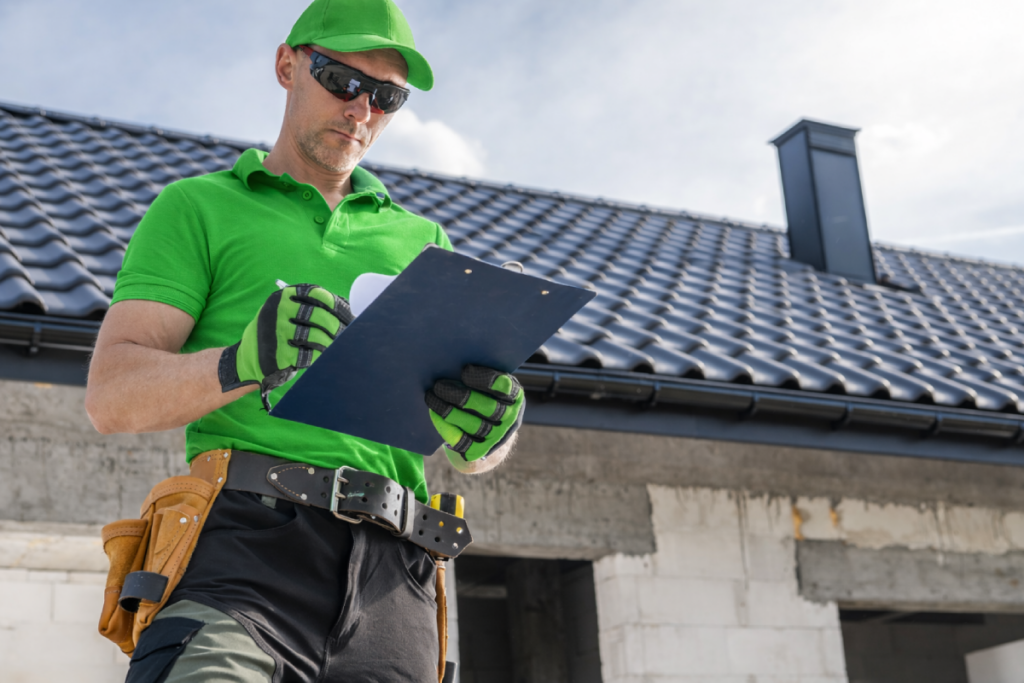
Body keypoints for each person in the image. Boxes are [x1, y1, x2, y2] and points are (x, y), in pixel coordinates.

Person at [85, 1, 523, 681]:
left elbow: (470, 451)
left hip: (397, 579)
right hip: (243, 556)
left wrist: (489, 434)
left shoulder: (425, 243)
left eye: (386, 97)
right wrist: (240, 361)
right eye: (343, 81)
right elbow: (111, 397)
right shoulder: (198, 207)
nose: (361, 111)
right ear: (288, 64)